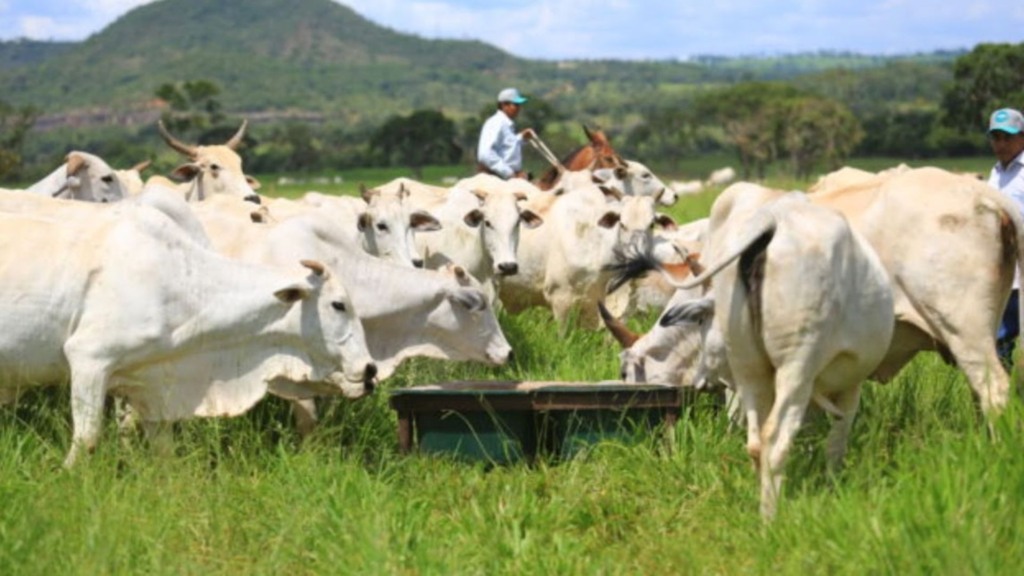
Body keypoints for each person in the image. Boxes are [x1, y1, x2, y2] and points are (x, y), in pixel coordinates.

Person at [987, 107, 1024, 367]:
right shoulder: (996, 173)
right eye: (996, 137)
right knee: (999, 342)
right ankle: (1005, 403)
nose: (1001, 144)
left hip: (1022, 272)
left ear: (1022, 137)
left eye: (1008, 137)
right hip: (1002, 273)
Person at [477, 87, 536, 180]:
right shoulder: (496, 123)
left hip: (506, 177)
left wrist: (522, 138)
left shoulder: (506, 124)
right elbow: (485, 154)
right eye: (516, 105)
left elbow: (506, 147)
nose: (519, 108)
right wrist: (510, 174)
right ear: (504, 105)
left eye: (519, 105)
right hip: (496, 178)